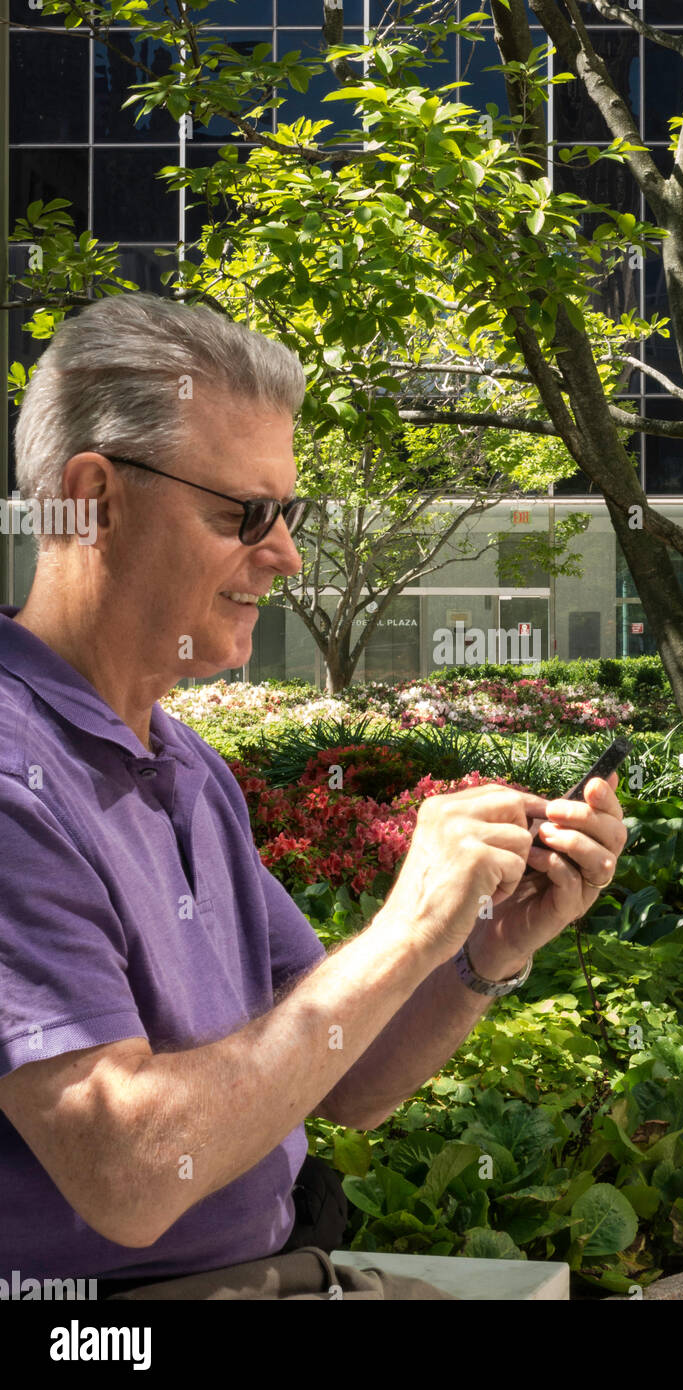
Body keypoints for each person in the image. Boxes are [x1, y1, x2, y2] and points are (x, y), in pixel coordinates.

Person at [0, 294, 627, 1300]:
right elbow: (128, 1170)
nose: (286, 553)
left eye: (292, 513)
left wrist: (482, 945)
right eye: (245, 512)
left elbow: (346, 1075)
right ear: (96, 498)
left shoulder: (185, 763)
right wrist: (409, 922)